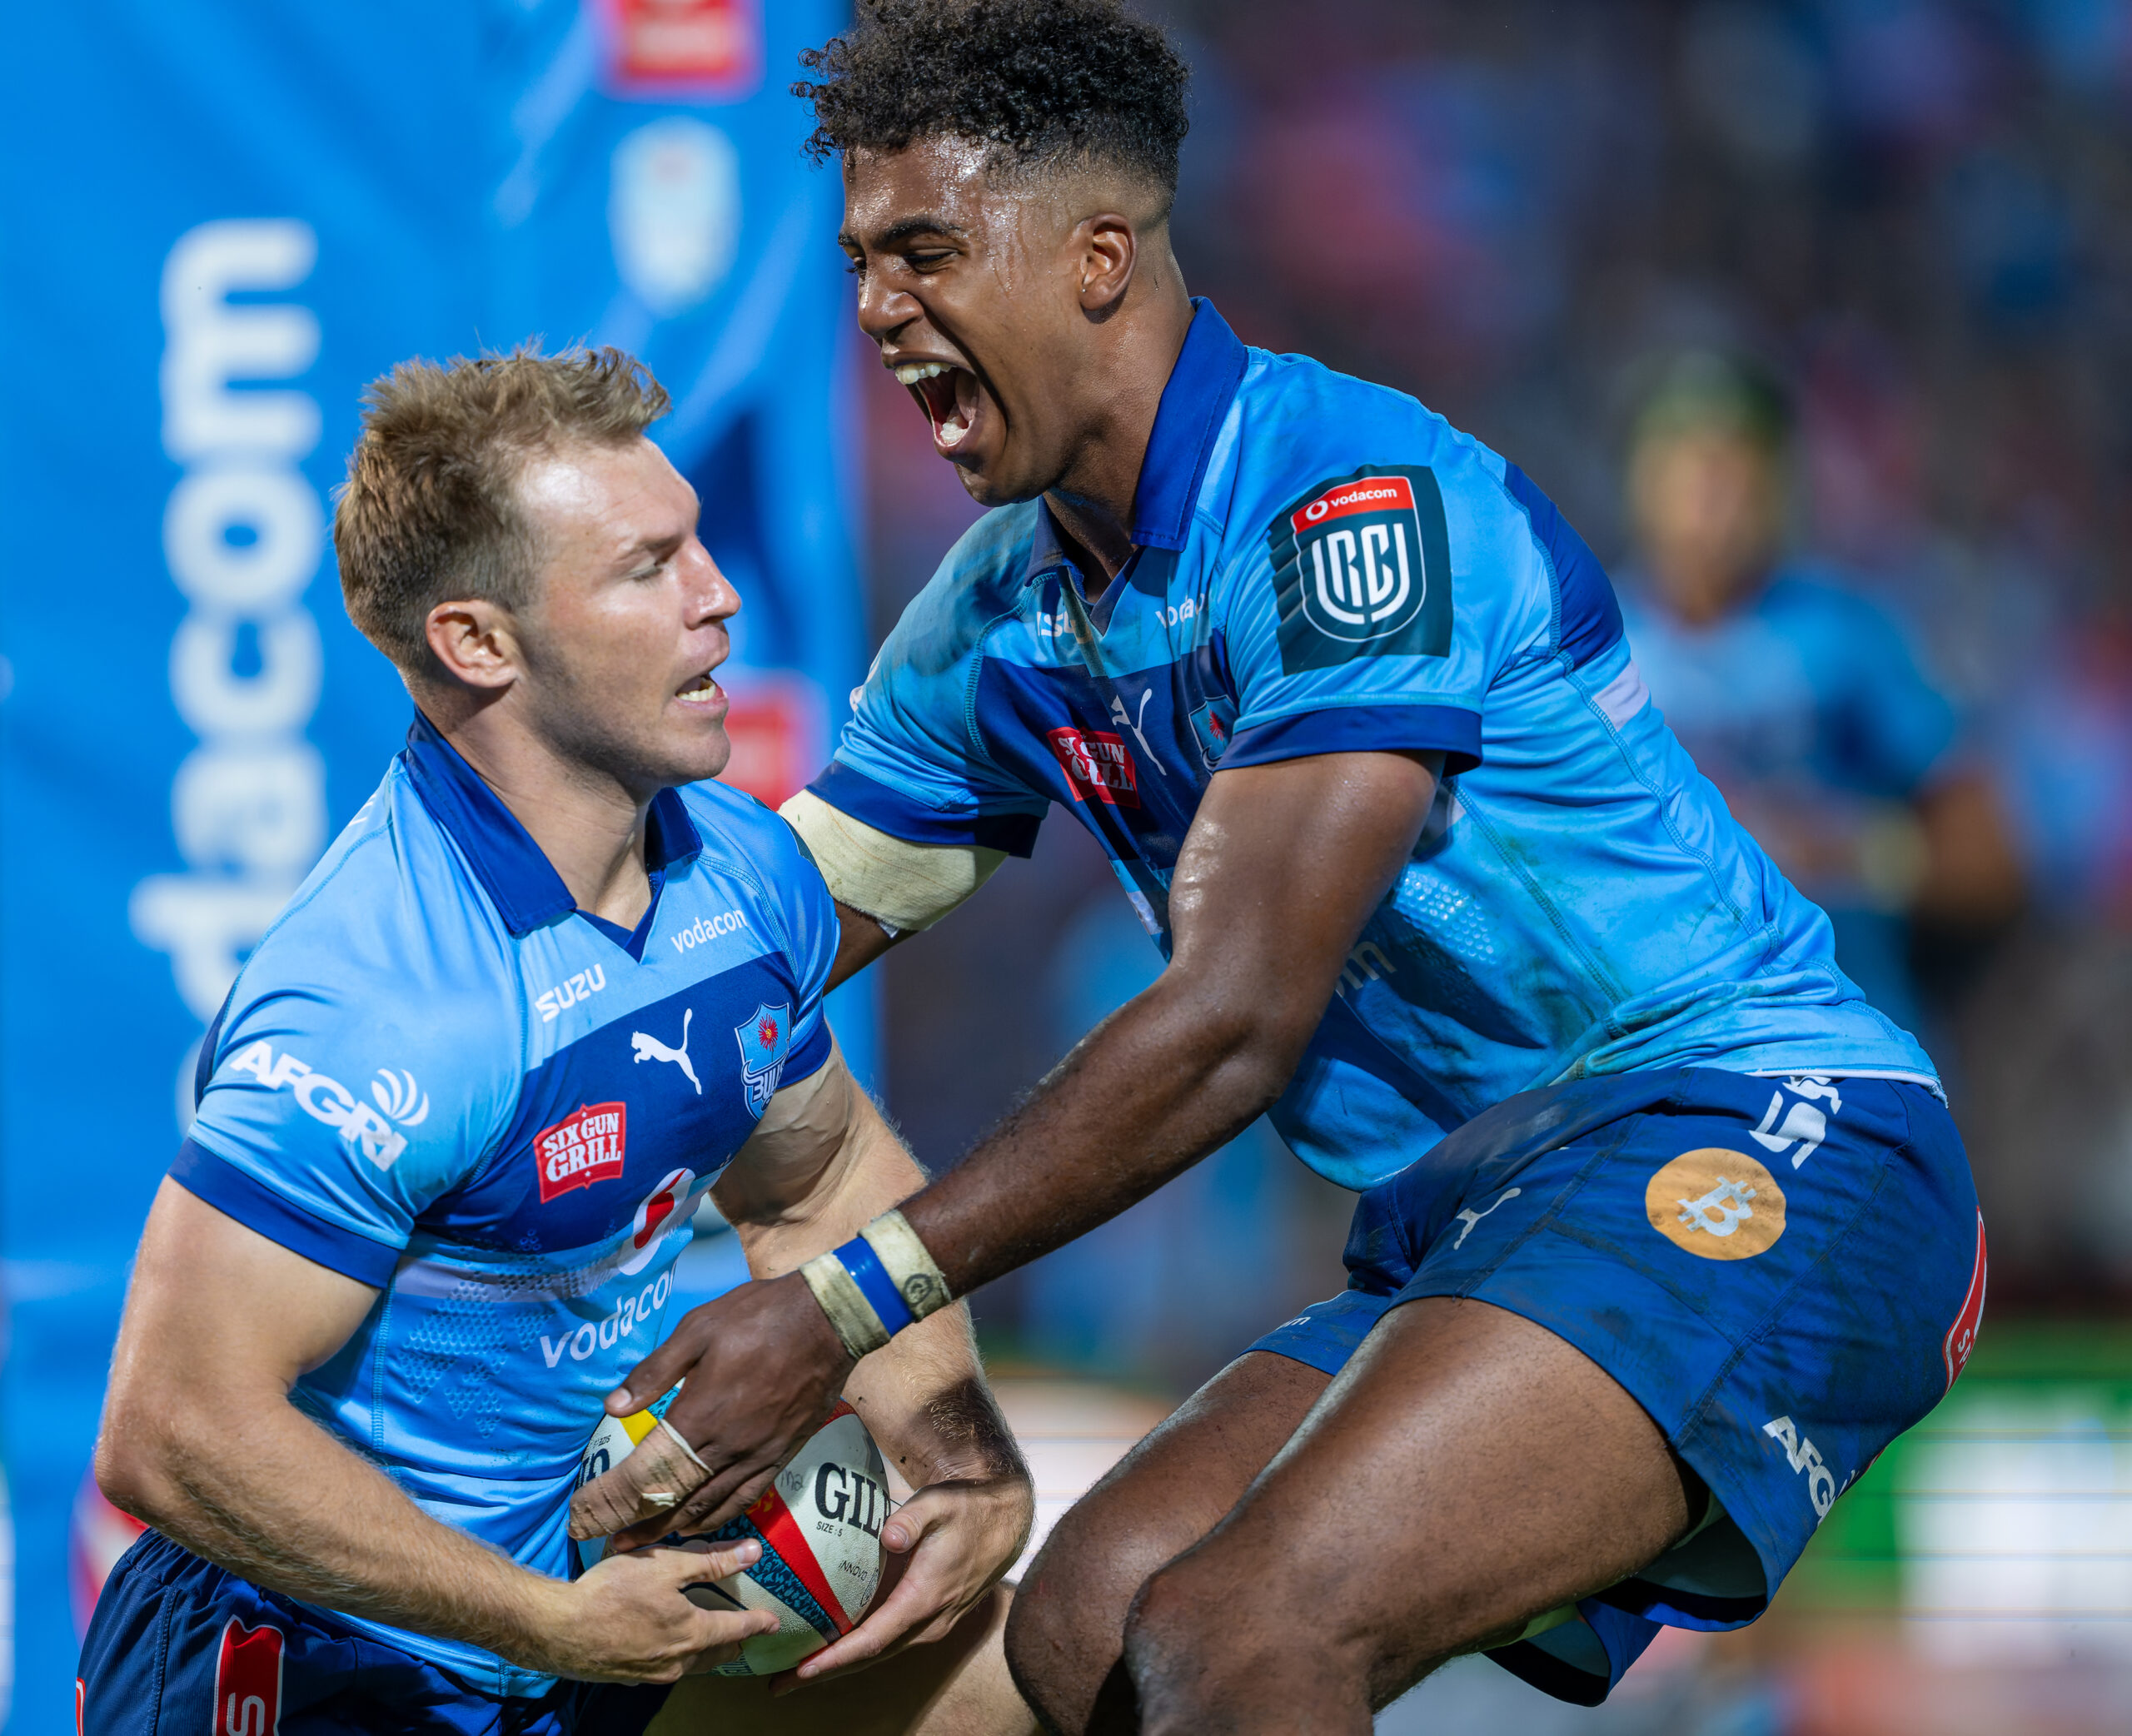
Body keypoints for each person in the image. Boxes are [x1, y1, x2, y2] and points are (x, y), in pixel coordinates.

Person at [570, 4, 1988, 1731]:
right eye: (861, 263)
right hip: (1480, 1219)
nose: (874, 308)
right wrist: (469, 1084)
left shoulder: (1343, 505)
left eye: (923, 252)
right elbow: (745, 945)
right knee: (1087, 1628)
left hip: (1764, 1130)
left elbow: (1234, 1018)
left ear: (1097, 258)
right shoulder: (1001, 613)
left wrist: (840, 1307)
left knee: (1240, 1630)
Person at [80, 348, 1033, 1735]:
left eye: (697, 542)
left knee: (1064, 1663)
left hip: (600, 1633)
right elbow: (171, 1431)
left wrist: (953, 1451)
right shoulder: (380, 1004)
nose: (718, 594)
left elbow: (818, 1182)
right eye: (649, 567)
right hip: (328, 1664)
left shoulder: (742, 869)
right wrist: (549, 1623)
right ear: (478, 643)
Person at [1618, 351, 2024, 1035]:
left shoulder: (1845, 633)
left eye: (1739, 462)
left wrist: (1854, 851)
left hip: (1846, 1035)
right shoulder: (1595, 647)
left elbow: (1988, 857)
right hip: (1667, 1040)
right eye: (1692, 462)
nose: (1714, 490)